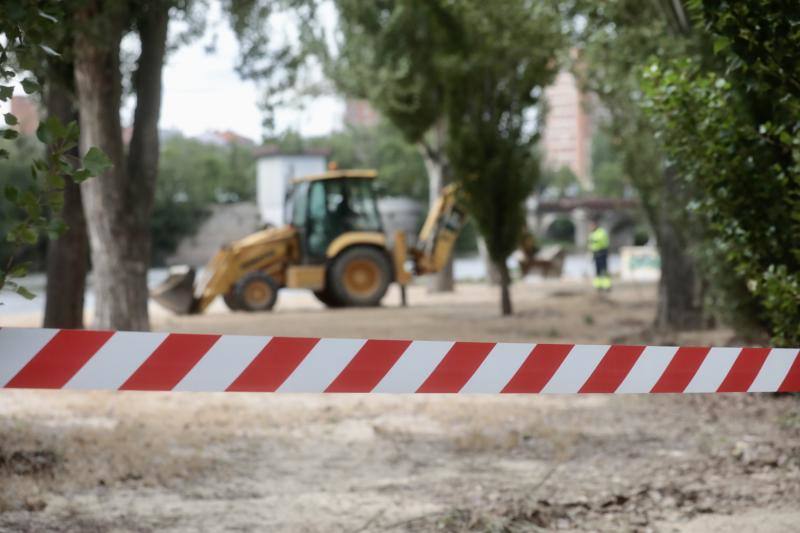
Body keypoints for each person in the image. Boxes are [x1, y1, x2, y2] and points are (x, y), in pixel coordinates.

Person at [588, 219, 611, 291]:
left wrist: (595, 241)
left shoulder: (601, 232)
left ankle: (607, 285)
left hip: (602, 253)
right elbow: (590, 244)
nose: (590, 227)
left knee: (604, 269)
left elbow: (603, 242)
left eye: (591, 226)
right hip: (595, 254)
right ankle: (598, 285)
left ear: (595, 225)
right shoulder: (591, 233)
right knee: (597, 270)